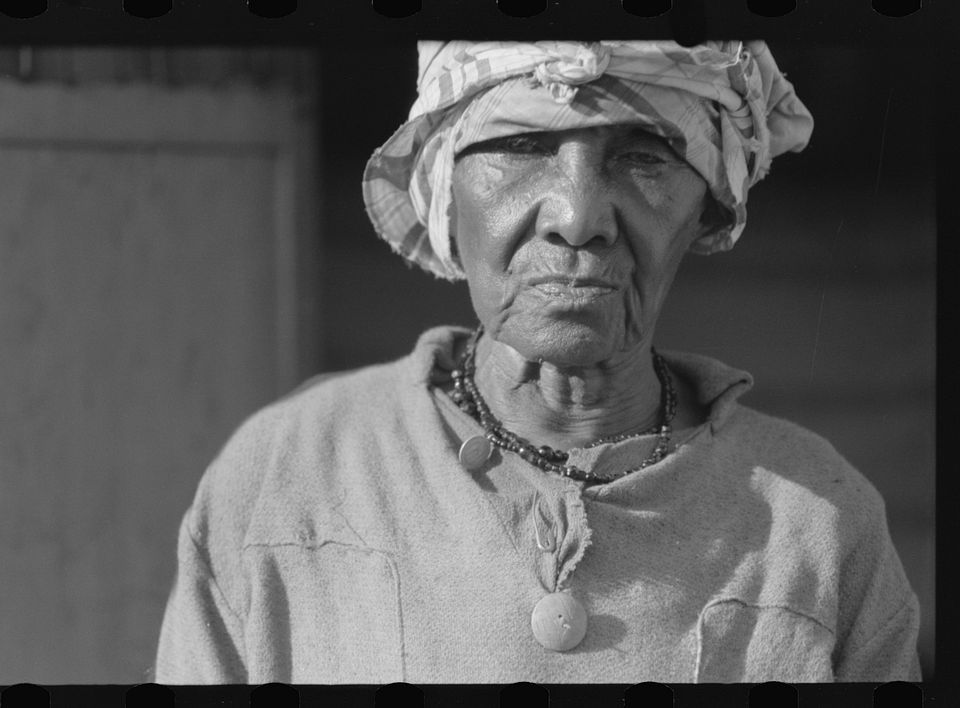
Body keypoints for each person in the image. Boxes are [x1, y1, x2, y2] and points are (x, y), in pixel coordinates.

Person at [155, 40, 921, 684]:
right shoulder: (288, 475)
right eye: (521, 147)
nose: (578, 216)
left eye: (644, 158)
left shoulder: (816, 521)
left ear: (710, 206)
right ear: (445, 191)